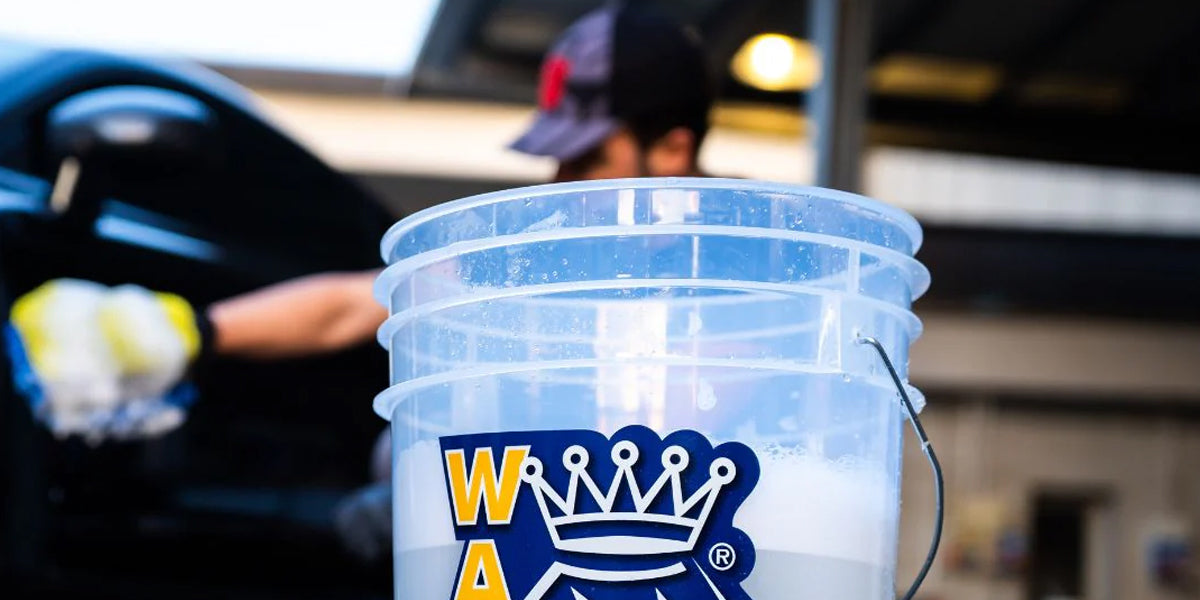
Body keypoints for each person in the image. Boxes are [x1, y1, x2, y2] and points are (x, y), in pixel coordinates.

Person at [8, 2, 714, 436]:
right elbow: (358, 303)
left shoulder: (759, 270)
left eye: (586, 157)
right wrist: (179, 330)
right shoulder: (548, 255)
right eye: (557, 157)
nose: (560, 181)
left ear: (673, 148)